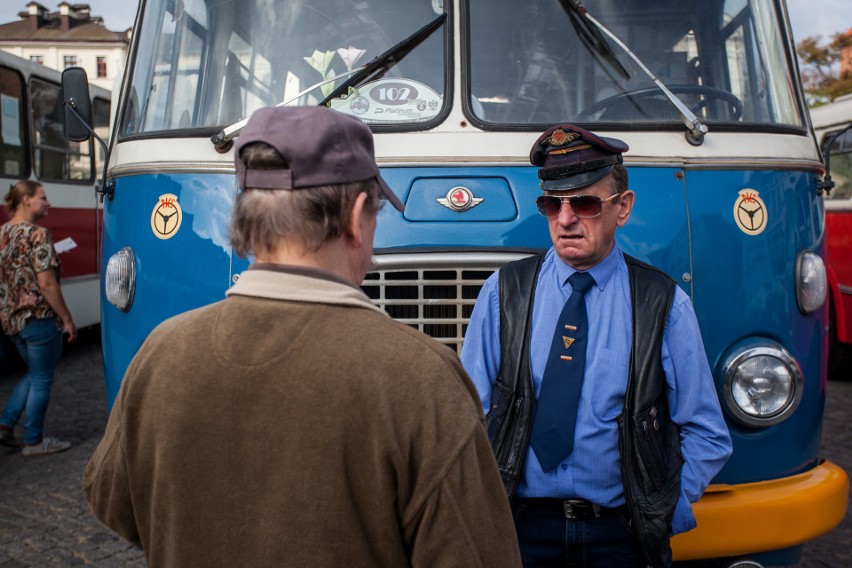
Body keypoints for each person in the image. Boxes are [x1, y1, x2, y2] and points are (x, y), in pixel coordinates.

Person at [83, 106, 522, 567]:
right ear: (356, 217)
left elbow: (114, 501)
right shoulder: (421, 377)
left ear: (246, 219)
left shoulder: (161, 353)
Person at [460, 124, 733, 568]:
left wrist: (663, 510)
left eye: (585, 203)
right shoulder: (502, 293)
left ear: (622, 208)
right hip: (519, 532)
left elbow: (707, 432)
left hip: (621, 539)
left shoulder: (663, 303)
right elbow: (467, 414)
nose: (565, 219)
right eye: (552, 204)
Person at [0, 181, 77, 456]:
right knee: (42, 379)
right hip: (39, 318)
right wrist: (67, 319)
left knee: (35, 373)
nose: (49, 203)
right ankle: (33, 440)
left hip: (12, 321)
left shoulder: (2, 234)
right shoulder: (38, 235)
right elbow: (46, 284)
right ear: (26, 200)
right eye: (43, 198)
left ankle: (5, 425)